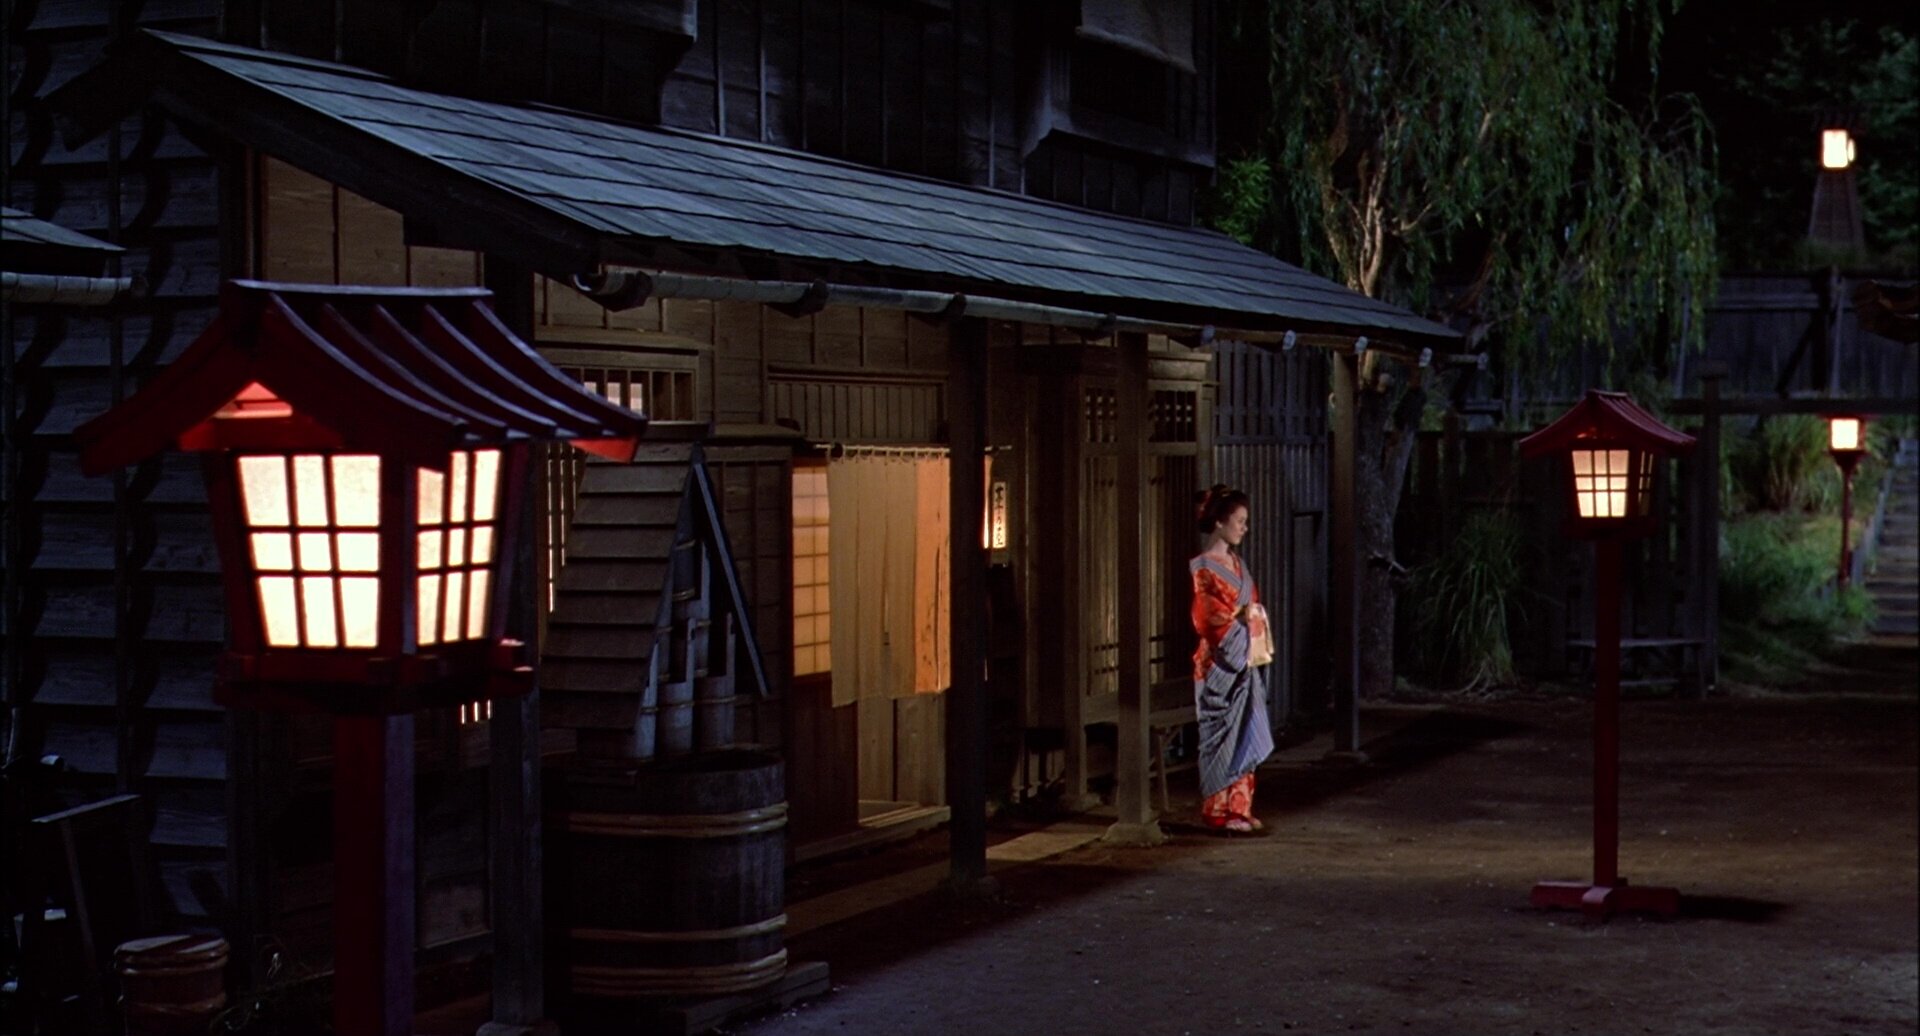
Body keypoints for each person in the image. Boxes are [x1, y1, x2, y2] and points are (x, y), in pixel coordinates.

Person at [1189, 484, 1274, 833]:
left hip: (1243, 659)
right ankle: (1217, 811)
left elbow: (1249, 606)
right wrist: (1240, 619)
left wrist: (1252, 617)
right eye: (1239, 521)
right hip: (1219, 663)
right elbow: (1206, 616)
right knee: (1220, 736)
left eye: (1245, 521)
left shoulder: (1239, 564)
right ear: (1219, 522)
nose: (1244, 528)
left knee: (1245, 731)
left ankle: (1240, 808)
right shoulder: (1203, 567)